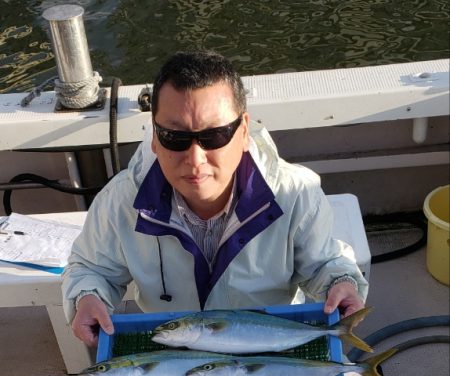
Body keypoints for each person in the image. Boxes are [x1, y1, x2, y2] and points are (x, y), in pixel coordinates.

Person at [62, 50, 368, 348]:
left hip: (267, 347)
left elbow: (324, 264)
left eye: (215, 136)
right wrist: (87, 297)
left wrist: (340, 283)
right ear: (155, 136)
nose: (195, 160)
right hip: (174, 347)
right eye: (175, 137)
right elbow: (91, 268)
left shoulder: (296, 193)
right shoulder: (120, 201)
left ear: (244, 130)